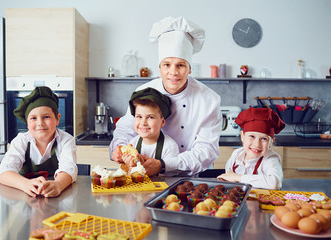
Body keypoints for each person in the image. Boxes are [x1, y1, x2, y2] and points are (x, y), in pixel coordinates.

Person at [110, 16, 222, 177]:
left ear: (190, 69)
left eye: (181, 65)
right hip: (142, 176)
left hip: (190, 178)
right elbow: (125, 128)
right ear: (159, 68)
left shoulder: (208, 100)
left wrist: (163, 165)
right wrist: (119, 148)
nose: (173, 72)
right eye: (167, 65)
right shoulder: (143, 92)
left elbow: (206, 150)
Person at [0, 86, 77, 198]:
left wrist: (58, 184)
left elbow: (69, 168)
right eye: (33, 118)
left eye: (46, 117)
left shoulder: (66, 140)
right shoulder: (21, 141)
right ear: (27, 123)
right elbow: (3, 172)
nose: (40, 123)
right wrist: (25, 184)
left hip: (54, 197)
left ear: (57, 119)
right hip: (25, 198)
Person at [217, 107, 286, 189]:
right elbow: (229, 177)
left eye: (264, 139)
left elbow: (275, 183)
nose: (257, 144)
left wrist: (238, 177)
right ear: (242, 136)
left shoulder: (270, 159)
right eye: (252, 136)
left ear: (271, 142)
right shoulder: (236, 155)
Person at [121, 87, 179, 171]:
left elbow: (170, 179)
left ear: (162, 122)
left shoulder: (169, 147)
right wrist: (129, 166)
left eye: (150, 117)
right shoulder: (133, 143)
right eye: (139, 116)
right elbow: (127, 175)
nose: (143, 123)